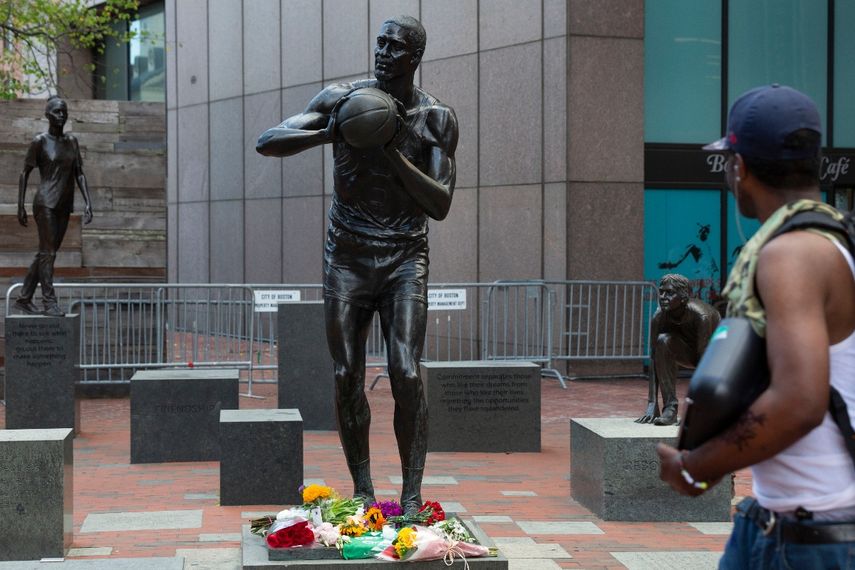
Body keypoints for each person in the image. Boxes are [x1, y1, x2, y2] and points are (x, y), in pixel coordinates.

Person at [256, 15, 458, 513]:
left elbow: (440, 203)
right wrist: (332, 132)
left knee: (405, 371)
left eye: (396, 47)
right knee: (347, 372)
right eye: (380, 42)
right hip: (346, 255)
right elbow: (268, 141)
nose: (384, 52)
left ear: (415, 58)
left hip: (404, 256)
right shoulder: (341, 99)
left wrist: (387, 150)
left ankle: (412, 493)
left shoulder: (436, 118)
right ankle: (363, 487)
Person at [657, 84, 855, 568]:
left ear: (739, 167)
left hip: (810, 535)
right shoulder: (832, 238)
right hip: (774, 520)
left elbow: (799, 401)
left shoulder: (791, 254)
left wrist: (694, 468)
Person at [16, 95, 93, 317]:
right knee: (48, 253)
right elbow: (24, 173)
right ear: (47, 115)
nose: (61, 115)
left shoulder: (72, 142)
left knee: (46, 253)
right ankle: (49, 303)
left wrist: (88, 202)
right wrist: (20, 206)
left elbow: (79, 173)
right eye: (57, 111)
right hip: (45, 203)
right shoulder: (39, 141)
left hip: (64, 205)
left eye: (64, 111)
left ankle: (24, 298)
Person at [636, 273, 720, 426]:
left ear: (683, 297)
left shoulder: (702, 316)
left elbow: (704, 364)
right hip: (688, 351)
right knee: (663, 341)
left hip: (714, 355)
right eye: (661, 292)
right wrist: (652, 403)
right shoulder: (659, 317)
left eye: (669, 293)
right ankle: (670, 409)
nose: (662, 296)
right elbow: (654, 358)